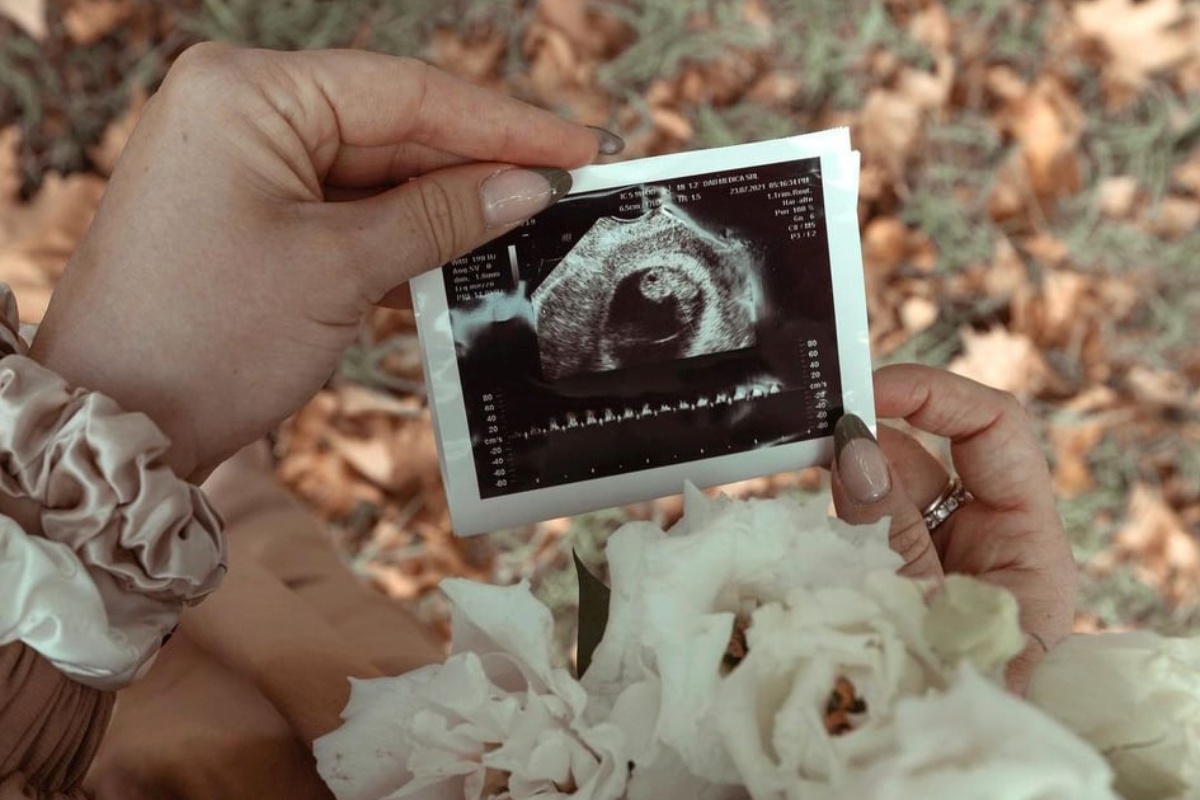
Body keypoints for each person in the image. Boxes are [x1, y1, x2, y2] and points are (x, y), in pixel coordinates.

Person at [0, 43, 1076, 799]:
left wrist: (124, 435)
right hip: (369, 718)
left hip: (317, 725)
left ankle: (228, 505)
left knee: (270, 571)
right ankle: (234, 505)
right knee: (278, 566)